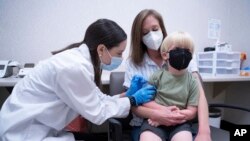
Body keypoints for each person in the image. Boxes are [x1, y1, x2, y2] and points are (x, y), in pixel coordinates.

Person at [0, 19, 156, 141]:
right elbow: (97, 112)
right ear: (101, 49)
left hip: (36, 127)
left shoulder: (81, 61)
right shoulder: (74, 67)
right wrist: (133, 100)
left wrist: (127, 95)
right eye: (119, 53)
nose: (121, 58)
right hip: (23, 133)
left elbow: (98, 98)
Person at [124, 9, 211, 141]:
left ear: (162, 28)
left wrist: (205, 132)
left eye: (155, 29)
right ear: (139, 37)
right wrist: (160, 115)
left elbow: (199, 95)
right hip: (149, 122)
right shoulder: (134, 63)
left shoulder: (185, 56)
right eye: (145, 33)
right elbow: (134, 104)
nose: (151, 35)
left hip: (180, 122)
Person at [139, 31, 199, 141]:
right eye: (177, 49)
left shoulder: (193, 82)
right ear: (165, 55)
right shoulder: (156, 77)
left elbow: (191, 112)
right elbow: (146, 102)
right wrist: (162, 114)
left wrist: (172, 116)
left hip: (180, 123)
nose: (183, 53)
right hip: (155, 120)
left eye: (187, 51)